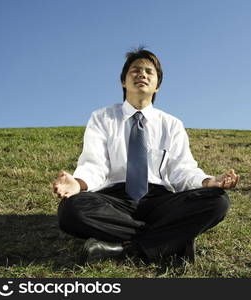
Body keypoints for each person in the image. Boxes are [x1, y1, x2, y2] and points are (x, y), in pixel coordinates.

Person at [53, 47, 239, 264]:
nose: (142, 74)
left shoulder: (171, 124)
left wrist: (210, 181)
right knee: (70, 210)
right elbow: (95, 165)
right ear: (123, 81)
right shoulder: (102, 117)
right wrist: (78, 184)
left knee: (218, 202)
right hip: (114, 200)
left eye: (149, 72)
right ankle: (171, 241)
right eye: (135, 70)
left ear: (157, 86)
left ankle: (124, 249)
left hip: (159, 200)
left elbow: (181, 170)